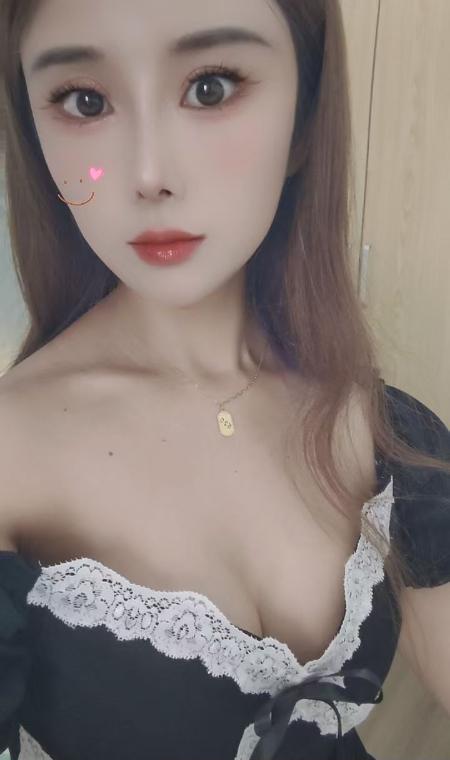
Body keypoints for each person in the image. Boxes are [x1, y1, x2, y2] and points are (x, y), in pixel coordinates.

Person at [0, 1, 449, 759]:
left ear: (305, 116)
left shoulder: (386, 430)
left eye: (210, 87)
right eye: (85, 101)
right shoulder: (12, 453)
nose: (149, 175)